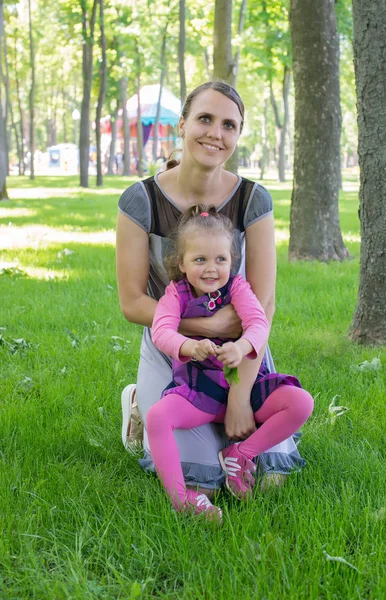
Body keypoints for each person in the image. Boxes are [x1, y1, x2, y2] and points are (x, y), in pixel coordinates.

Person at [116, 80, 308, 499]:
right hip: (175, 342)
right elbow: (131, 302)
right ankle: (140, 403)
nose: (215, 134)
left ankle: (232, 421)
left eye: (229, 125)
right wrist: (202, 324)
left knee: (271, 481)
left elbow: (264, 302)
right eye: (205, 119)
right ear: (183, 124)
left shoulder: (253, 200)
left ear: (237, 136)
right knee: (202, 478)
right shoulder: (141, 200)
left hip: (240, 345)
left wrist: (241, 398)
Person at [146, 206, 314, 521]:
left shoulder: (237, 287)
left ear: (231, 261)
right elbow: (161, 331)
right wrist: (189, 345)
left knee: (301, 402)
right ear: (181, 263)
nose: (211, 269)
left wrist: (242, 346)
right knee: (157, 417)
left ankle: (240, 454)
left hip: (245, 389)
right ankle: (183, 499)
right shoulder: (176, 294)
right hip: (200, 393)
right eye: (200, 260)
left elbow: (259, 323)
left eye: (220, 259)